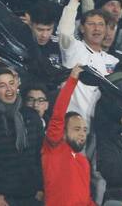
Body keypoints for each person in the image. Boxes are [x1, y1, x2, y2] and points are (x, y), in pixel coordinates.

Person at [0, 67, 43, 205]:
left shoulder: (31, 116)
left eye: (11, 83)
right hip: (3, 198)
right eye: (2, 85)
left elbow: (40, 155)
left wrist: (41, 188)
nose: (9, 89)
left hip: (32, 195)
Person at [57, 0, 119, 126]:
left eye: (100, 25)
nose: (96, 29)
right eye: (91, 24)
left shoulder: (113, 61)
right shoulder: (74, 49)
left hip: (101, 128)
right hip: (72, 124)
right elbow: (64, 32)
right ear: (82, 28)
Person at [42, 66, 95, 206]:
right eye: (77, 129)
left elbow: (86, 199)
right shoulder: (54, 149)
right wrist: (72, 80)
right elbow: (58, 114)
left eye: (84, 130)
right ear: (63, 132)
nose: (82, 134)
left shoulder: (84, 161)